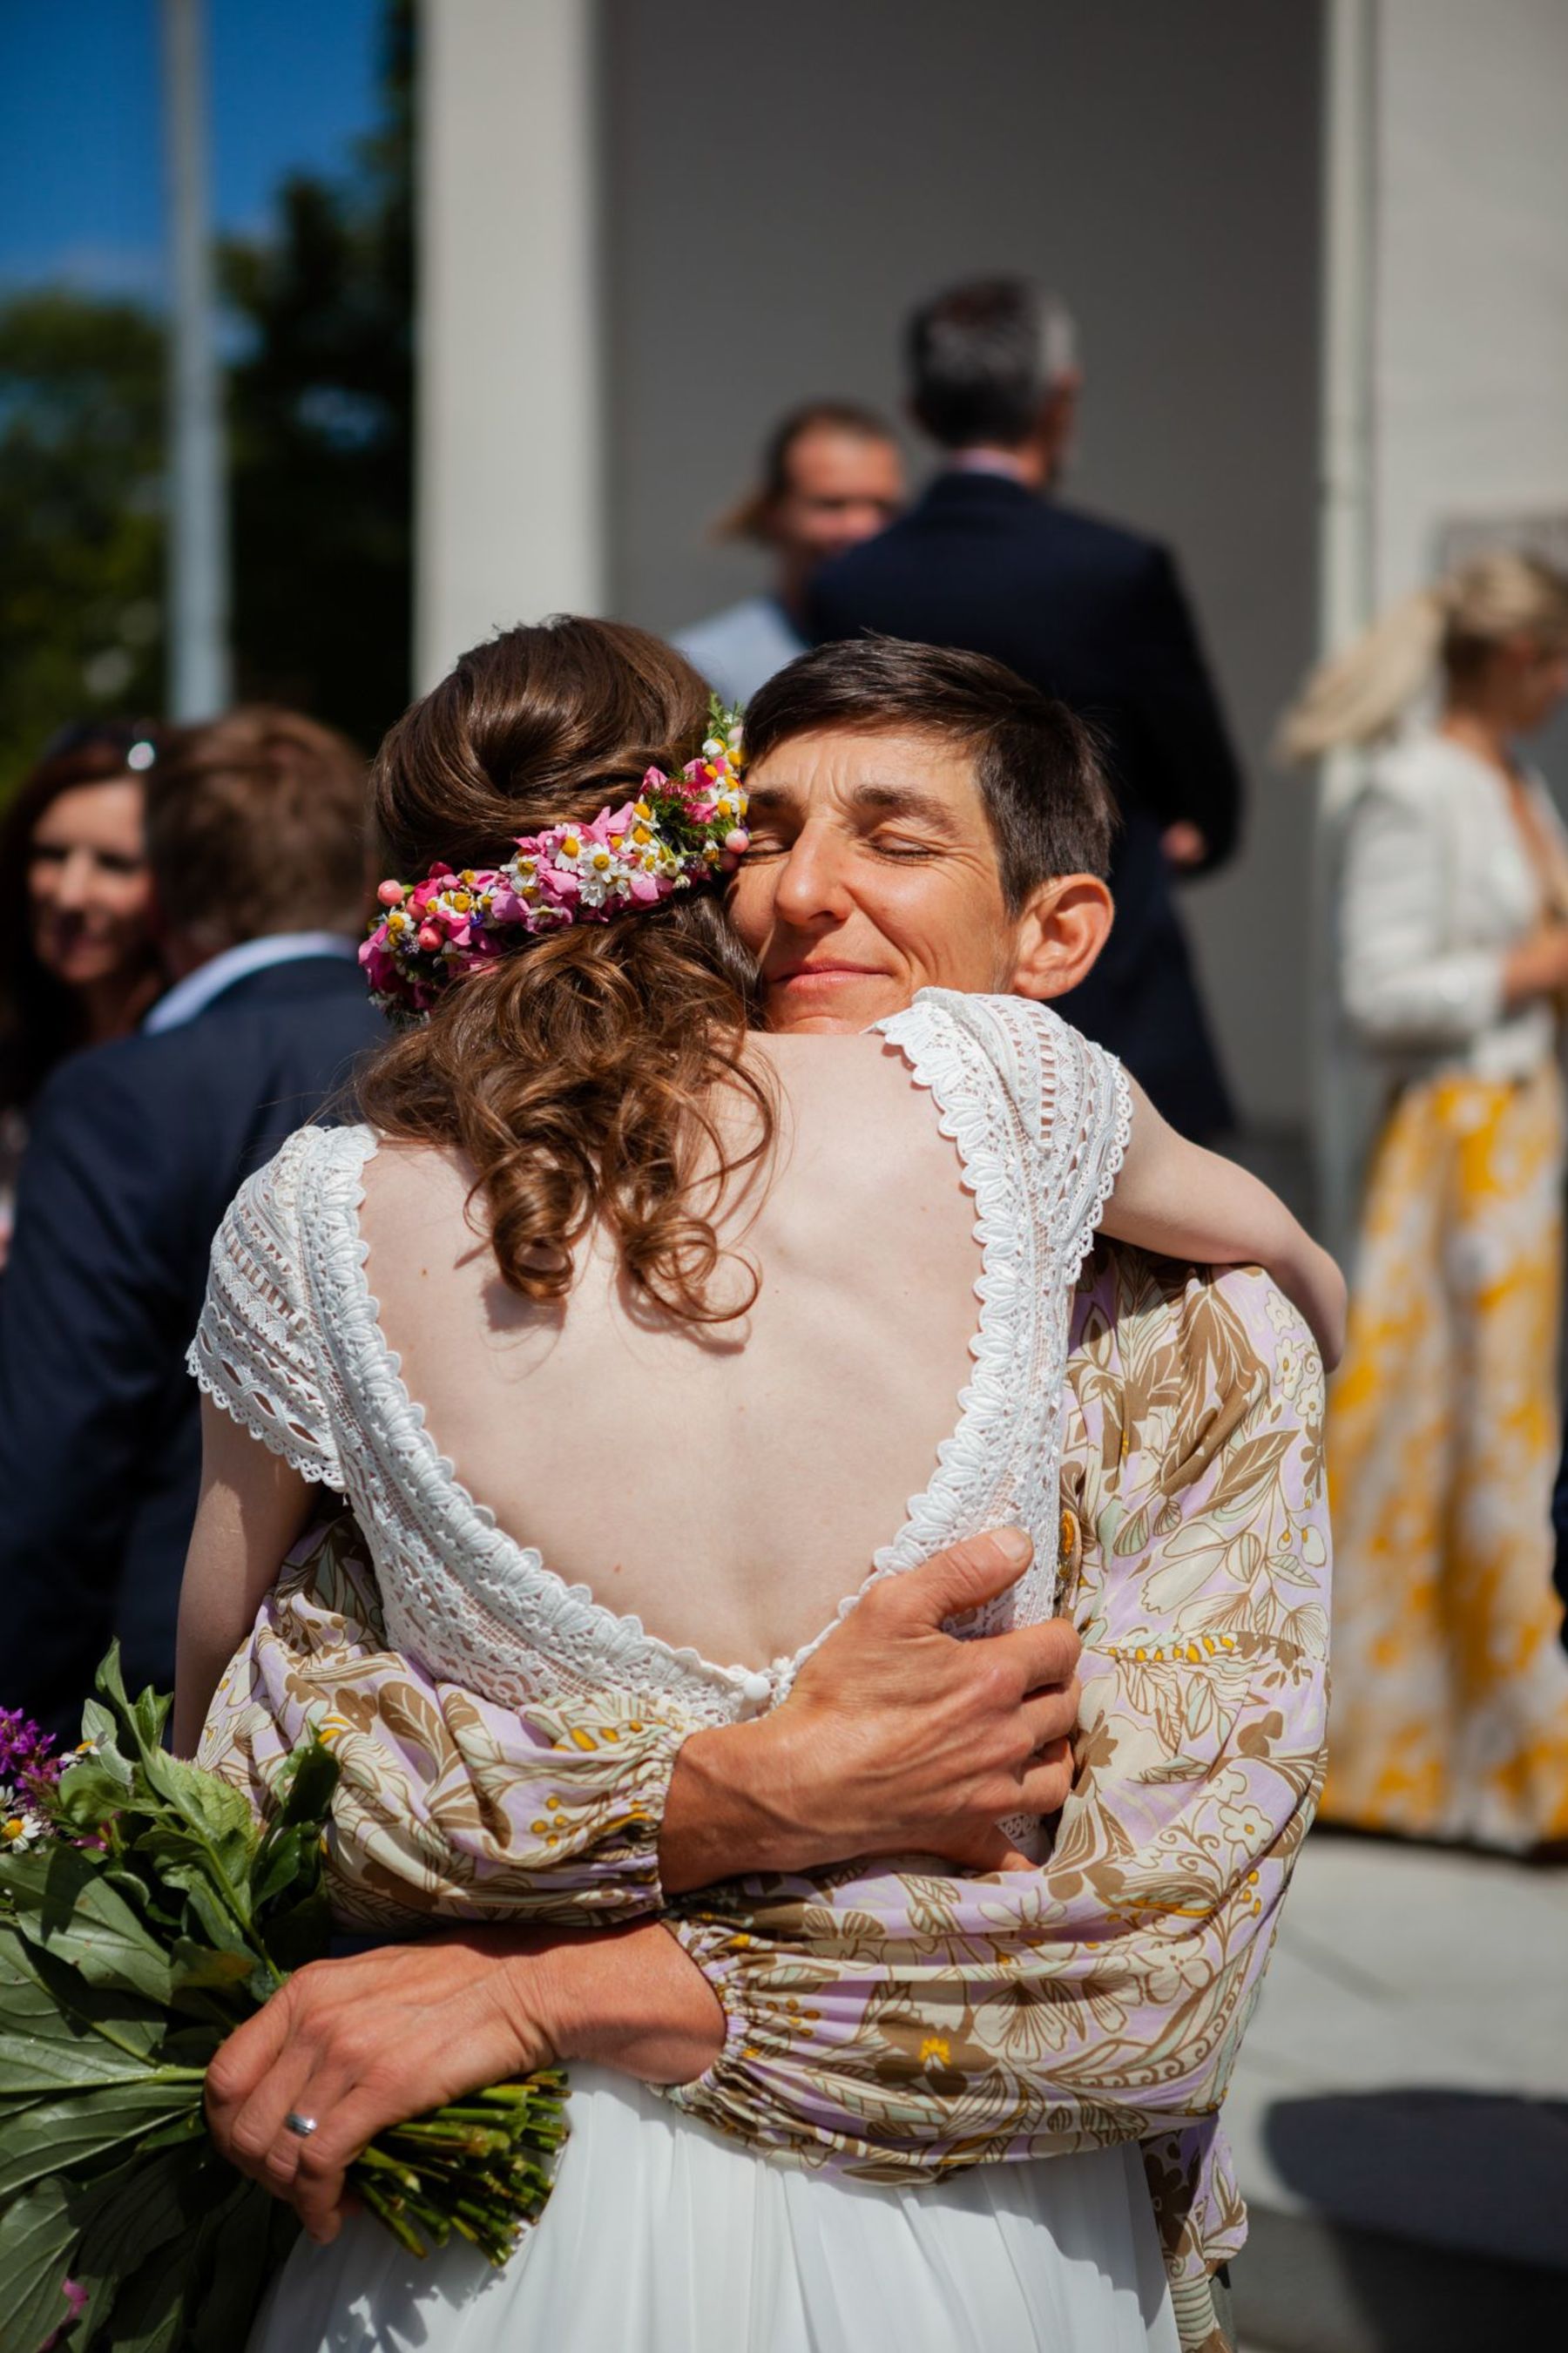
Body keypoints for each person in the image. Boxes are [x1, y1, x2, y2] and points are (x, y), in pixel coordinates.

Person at [179, 624, 1334, 2353]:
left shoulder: (1198, 1345)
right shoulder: (479, 1250)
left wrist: (545, 1991)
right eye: (762, 831)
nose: (799, 892)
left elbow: (1149, 1953)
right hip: (495, 2205)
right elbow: (289, 1767)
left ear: (1056, 933)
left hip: (932, 2213)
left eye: (894, 838)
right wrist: (740, 1791)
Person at [0, 707, 384, 1740]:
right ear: (361, 874)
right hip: (424, 1708)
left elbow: (58, 1461)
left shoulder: (122, 1098)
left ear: (163, 892)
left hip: (174, 1711)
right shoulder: (453, 1045)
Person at [807, 277, 1245, 1140]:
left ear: (918, 412)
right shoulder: (1116, 569)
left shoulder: (853, 580)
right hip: (1108, 985)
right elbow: (1206, 787)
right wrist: (1185, 832)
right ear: (1059, 401)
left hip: (925, 1003)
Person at [1280, 550, 1568, 1849]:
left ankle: (1491, 1748)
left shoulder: (1512, 781)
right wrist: (1538, 963)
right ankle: (1422, 1755)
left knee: (1498, 1436)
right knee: (1450, 1435)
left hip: (1518, 1137)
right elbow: (1377, 992)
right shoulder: (1416, 787)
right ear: (1518, 658)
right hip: (1459, 1145)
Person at [0, 718, 167, 1261]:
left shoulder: (198, 1058)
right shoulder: (16, 1043)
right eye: (51, 855)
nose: (70, 894)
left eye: (115, 864)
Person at [673, 402, 904, 704]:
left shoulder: (930, 646)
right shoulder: (708, 669)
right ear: (773, 512)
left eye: (882, 506)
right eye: (831, 505)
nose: (861, 528)